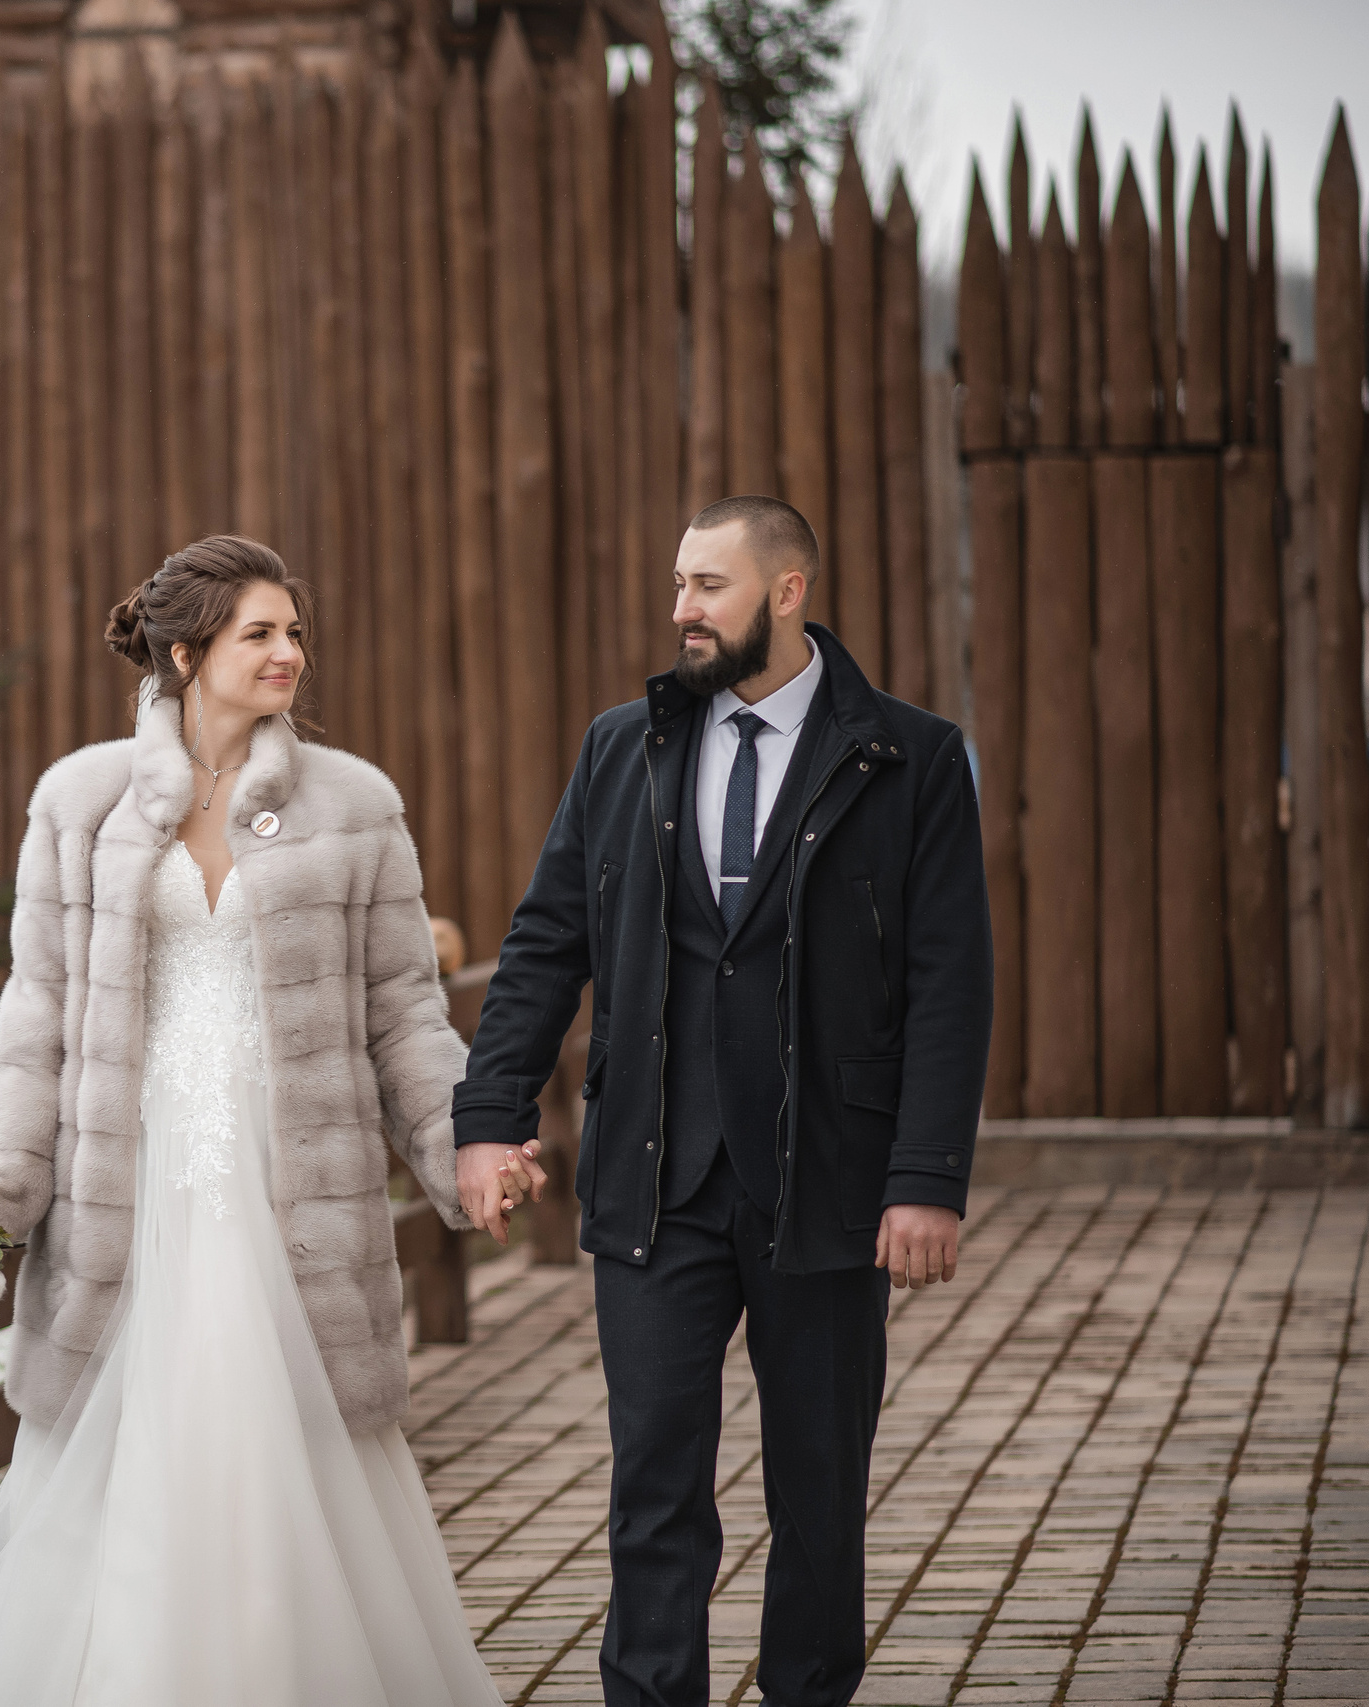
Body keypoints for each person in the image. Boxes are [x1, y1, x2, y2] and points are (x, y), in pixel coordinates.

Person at [0, 534, 538, 1707]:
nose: (287, 654)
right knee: (130, 1449)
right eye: (259, 633)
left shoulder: (356, 806)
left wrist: (461, 1144)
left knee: (292, 1443)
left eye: (293, 632)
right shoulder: (79, 802)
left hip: (292, 1183)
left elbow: (404, 1015)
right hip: (130, 1186)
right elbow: (36, 1022)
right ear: (185, 651)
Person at [453, 496, 992, 1707]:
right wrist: (488, 1119)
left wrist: (924, 1181)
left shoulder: (906, 758)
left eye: (708, 585)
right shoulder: (620, 747)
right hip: (654, 1177)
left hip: (828, 1183)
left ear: (787, 592)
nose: (681, 610)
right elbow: (545, 944)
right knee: (652, 1485)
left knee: (818, 1488)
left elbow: (950, 984)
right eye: (678, 584)